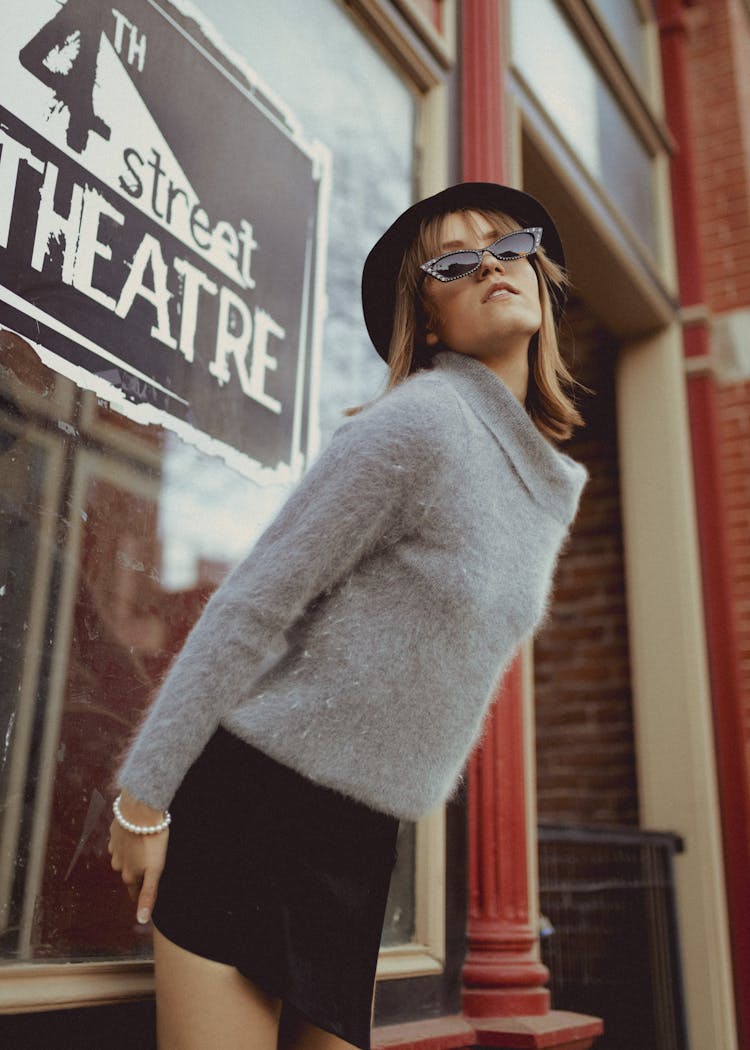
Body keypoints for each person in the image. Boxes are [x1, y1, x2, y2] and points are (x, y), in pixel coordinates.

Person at [108, 182, 587, 1050]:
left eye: (507, 243)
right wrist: (144, 798)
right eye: (452, 261)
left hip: (360, 842)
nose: (490, 263)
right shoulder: (421, 425)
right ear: (429, 320)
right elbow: (253, 605)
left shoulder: (545, 487)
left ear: (541, 275)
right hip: (255, 808)